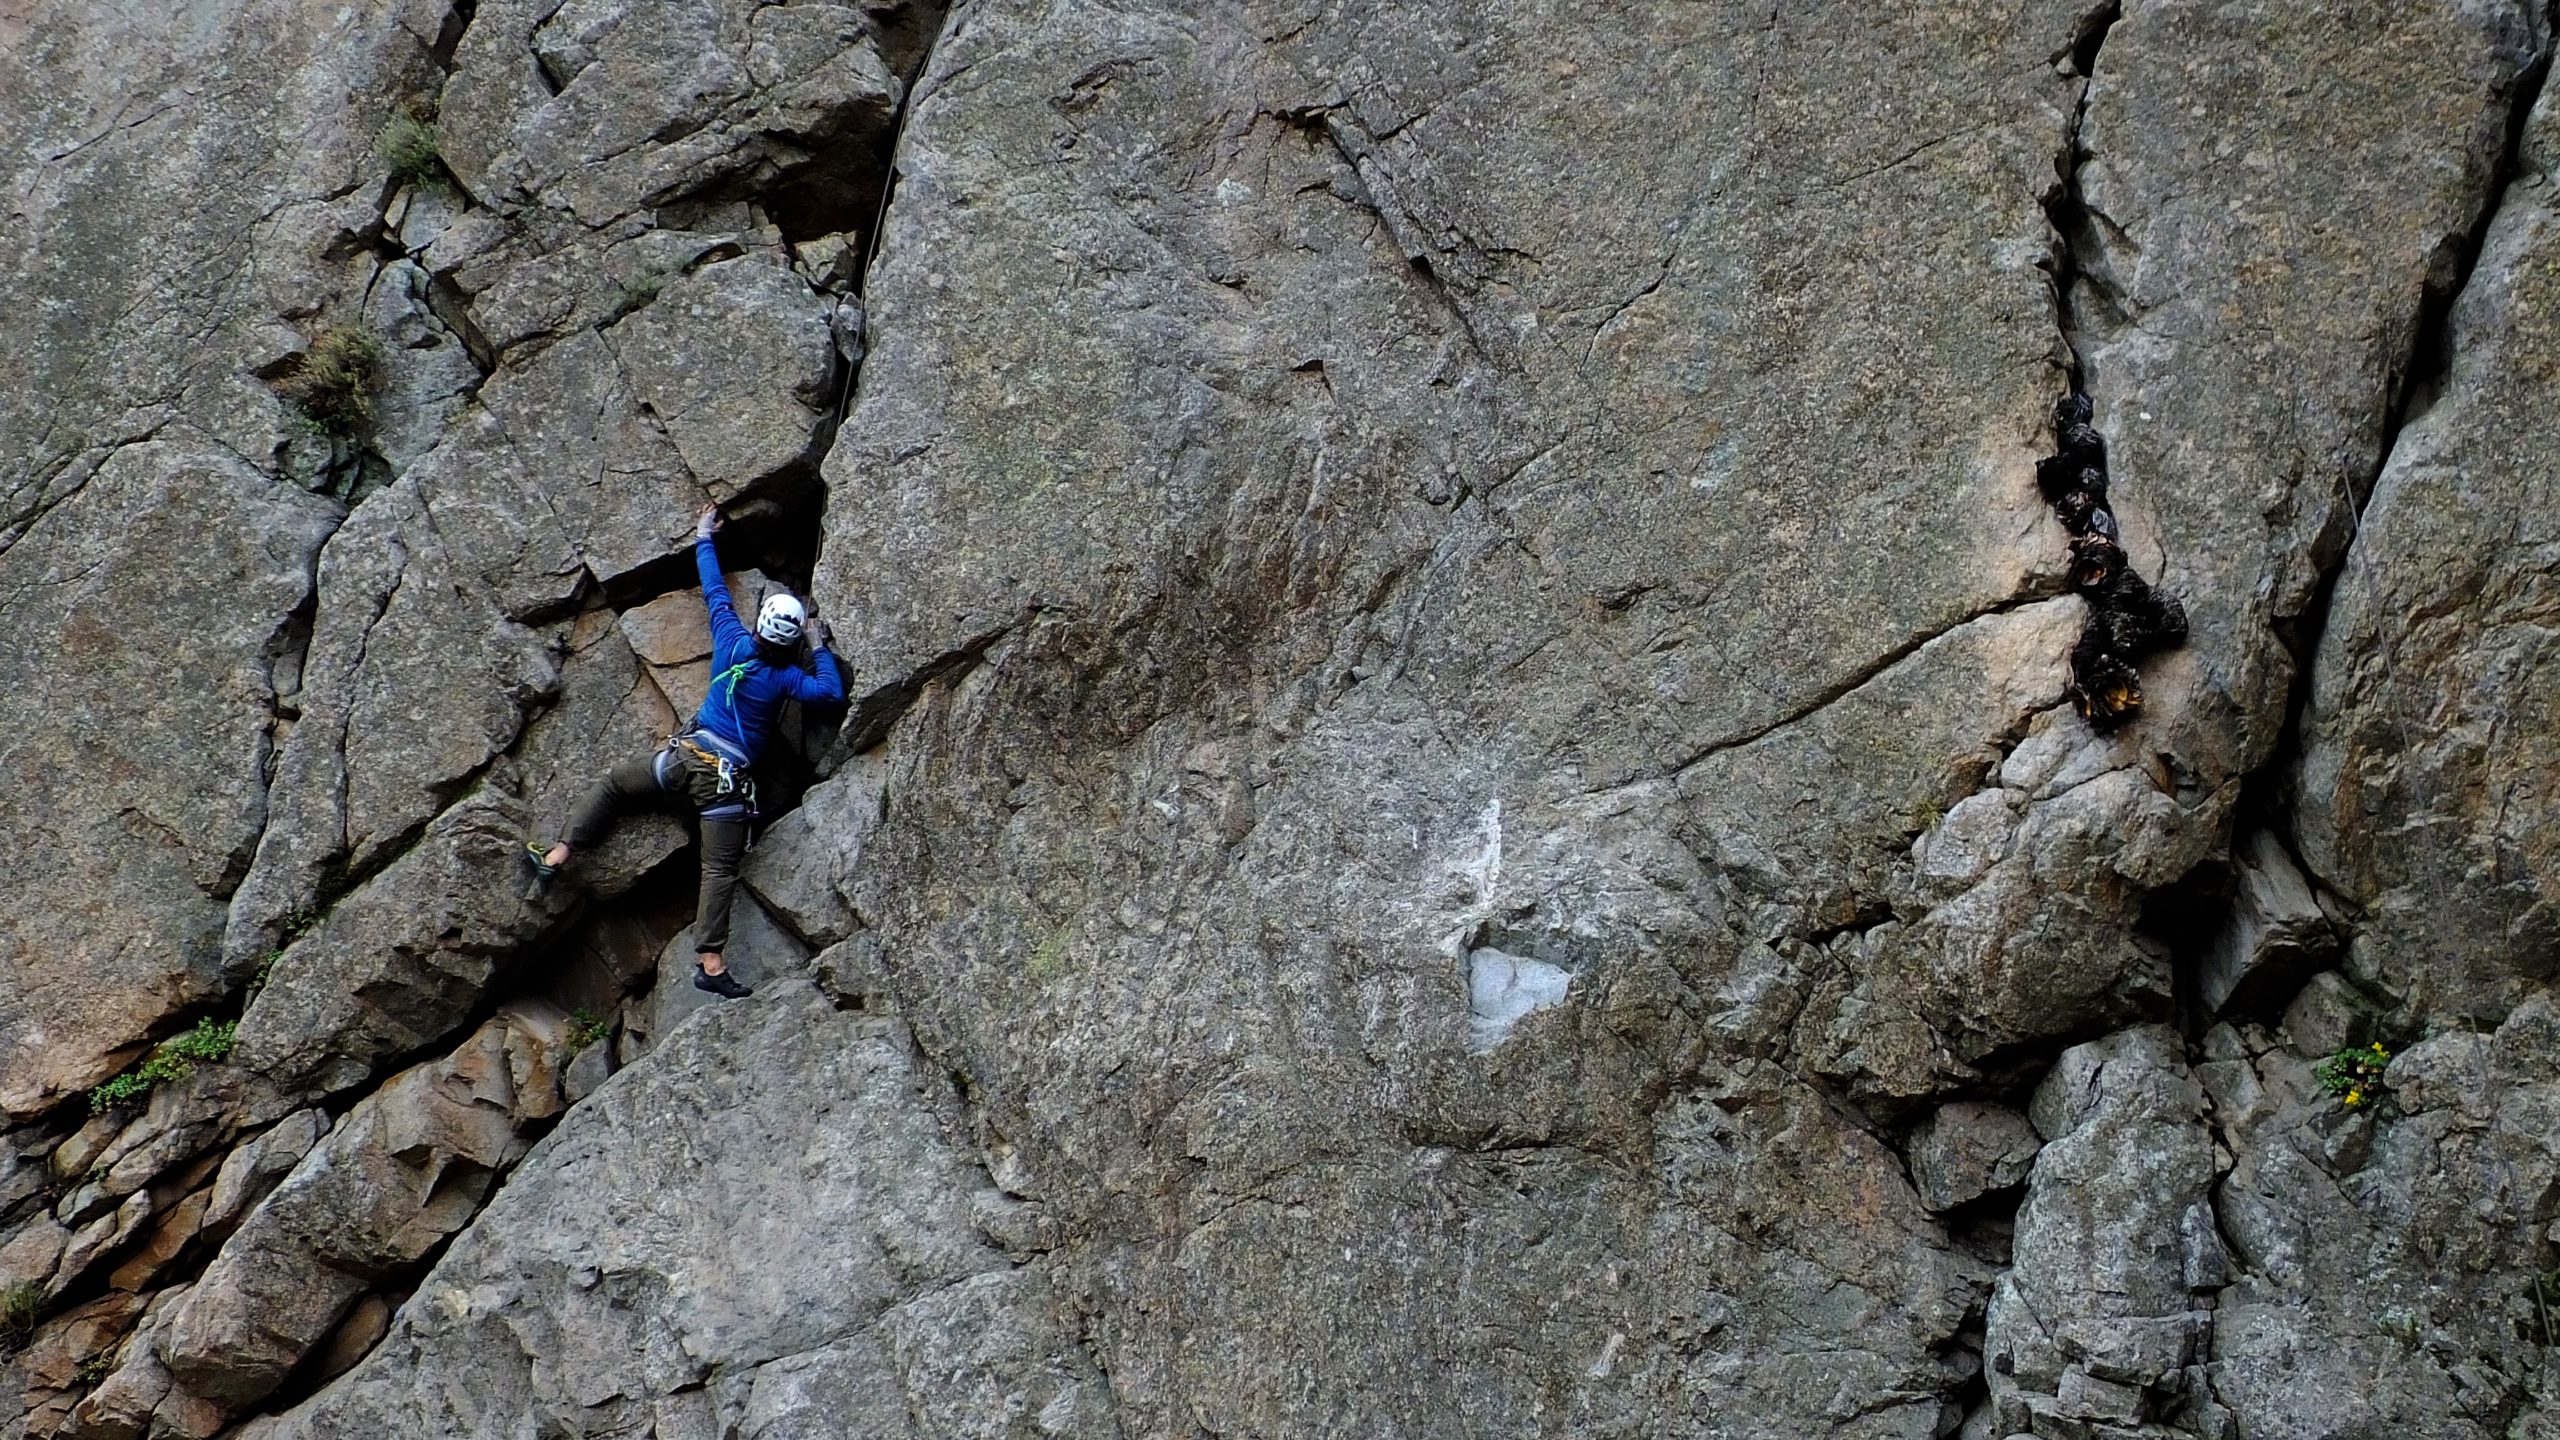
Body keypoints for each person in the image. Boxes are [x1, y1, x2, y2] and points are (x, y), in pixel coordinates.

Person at [529, 506, 845, 997]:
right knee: (718, 868)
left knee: (614, 786)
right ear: (790, 643)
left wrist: (704, 536)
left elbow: (715, 589)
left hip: (680, 762)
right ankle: (710, 963)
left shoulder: (731, 638)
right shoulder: (786, 677)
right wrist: (818, 645)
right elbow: (830, 693)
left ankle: (558, 854)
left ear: (759, 625)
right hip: (724, 784)